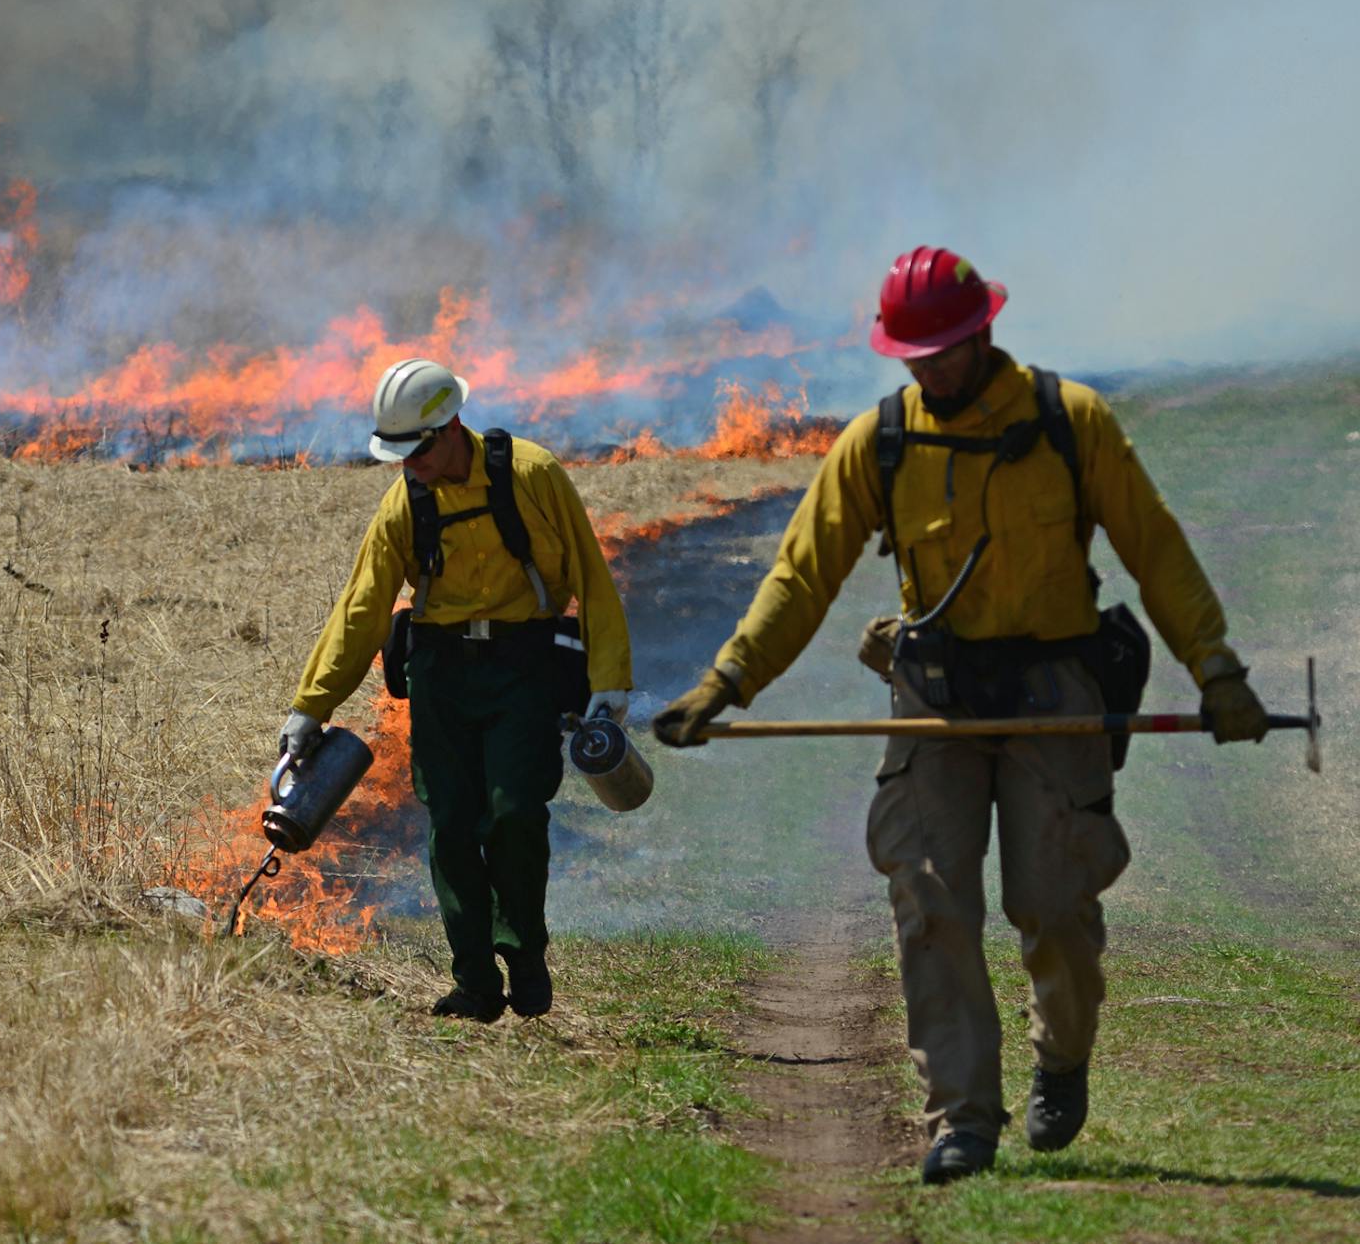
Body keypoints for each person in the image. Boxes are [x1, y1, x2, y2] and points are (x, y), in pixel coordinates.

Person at [651, 247, 1270, 1184]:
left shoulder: (1071, 422)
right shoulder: (881, 441)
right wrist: (729, 679)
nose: (927, 369)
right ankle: (963, 1119)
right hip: (933, 698)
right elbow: (802, 571)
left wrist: (1216, 668)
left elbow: (1157, 551)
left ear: (985, 332)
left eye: (942, 350)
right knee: (931, 900)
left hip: (1054, 692)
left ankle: (1061, 1056)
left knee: (1055, 906)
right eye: (912, 353)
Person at [281, 357, 634, 1023]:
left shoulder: (532, 474)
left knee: (514, 813)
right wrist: (311, 706)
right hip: (441, 675)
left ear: (451, 428)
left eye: (415, 450)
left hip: (524, 666)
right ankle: (475, 982)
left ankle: (523, 950)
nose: (406, 465)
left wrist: (610, 683)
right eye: (398, 454)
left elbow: (592, 574)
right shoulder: (403, 504)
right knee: (449, 828)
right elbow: (361, 609)